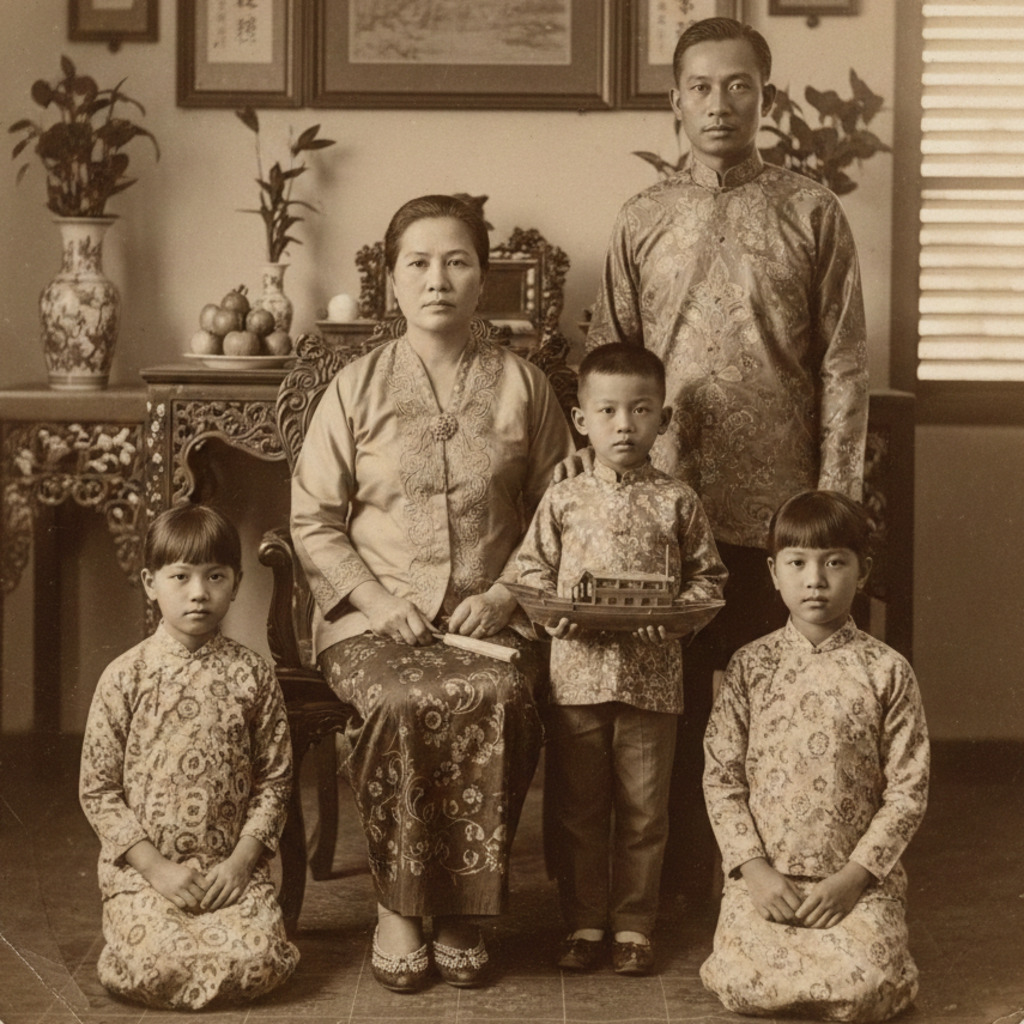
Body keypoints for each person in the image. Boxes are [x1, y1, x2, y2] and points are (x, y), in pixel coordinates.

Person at [584, 16, 869, 904]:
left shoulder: (811, 210)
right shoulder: (642, 217)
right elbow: (609, 353)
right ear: (676, 101)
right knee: (663, 704)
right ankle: (659, 888)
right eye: (702, 87)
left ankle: (763, 876)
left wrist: (834, 497)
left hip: (775, 504)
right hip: (657, 504)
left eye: (739, 86)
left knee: (760, 696)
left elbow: (844, 363)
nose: (720, 105)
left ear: (766, 98)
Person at [290, 194, 575, 992]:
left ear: (484, 279)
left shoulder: (525, 387)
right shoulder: (356, 387)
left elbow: (563, 511)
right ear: (390, 279)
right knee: (402, 702)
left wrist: (512, 592)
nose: (437, 278)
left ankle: (465, 912)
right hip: (369, 623)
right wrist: (379, 604)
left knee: (498, 691)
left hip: (490, 622)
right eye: (417, 262)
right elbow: (312, 519)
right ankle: (401, 906)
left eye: (456, 261)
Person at [515, 343, 727, 976]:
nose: (624, 425)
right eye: (607, 411)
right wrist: (548, 610)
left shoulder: (677, 501)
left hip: (652, 681)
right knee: (580, 811)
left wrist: (675, 620)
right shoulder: (563, 500)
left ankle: (634, 924)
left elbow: (708, 579)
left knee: (643, 811)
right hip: (577, 678)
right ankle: (583, 920)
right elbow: (529, 570)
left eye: (640, 409)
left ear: (663, 418)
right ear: (582, 420)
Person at [701, 490, 929, 1021]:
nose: (816, 580)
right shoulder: (750, 667)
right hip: (768, 880)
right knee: (741, 983)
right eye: (797, 563)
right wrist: (754, 872)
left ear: (863, 570)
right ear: (773, 573)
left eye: (834, 563)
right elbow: (722, 780)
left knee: (867, 986)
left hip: (853, 882)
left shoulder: (886, 671)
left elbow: (908, 791)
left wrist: (853, 879)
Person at [79, 503, 298, 1010]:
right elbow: (99, 790)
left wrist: (241, 864)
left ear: (237, 582)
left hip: (229, 870)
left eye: (215, 576)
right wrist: (155, 869)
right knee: (157, 963)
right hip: (148, 873)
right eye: (180, 576)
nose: (199, 592)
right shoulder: (125, 677)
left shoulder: (252, 675)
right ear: (151, 582)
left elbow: (275, 781)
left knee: (258, 958)